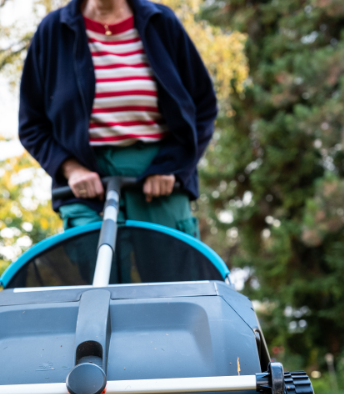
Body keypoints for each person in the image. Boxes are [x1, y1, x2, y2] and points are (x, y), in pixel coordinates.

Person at [18, 0, 217, 238]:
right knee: (96, 269)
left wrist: (171, 168)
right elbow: (32, 124)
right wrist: (70, 169)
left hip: (159, 176)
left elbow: (203, 107)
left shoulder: (161, 22)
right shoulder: (53, 31)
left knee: (171, 272)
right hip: (86, 183)